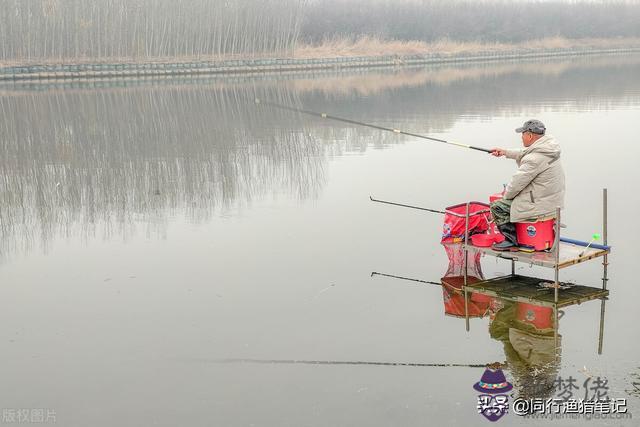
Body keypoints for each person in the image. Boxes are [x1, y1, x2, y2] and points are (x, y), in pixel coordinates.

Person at [489, 120, 565, 251]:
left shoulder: (533, 159)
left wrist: (506, 196)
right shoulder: (548, 148)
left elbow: (516, 184)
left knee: (498, 206)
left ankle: (511, 241)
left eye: (522, 134)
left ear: (530, 136)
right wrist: (505, 152)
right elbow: (525, 153)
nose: (521, 137)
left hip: (539, 205)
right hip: (552, 201)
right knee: (510, 199)